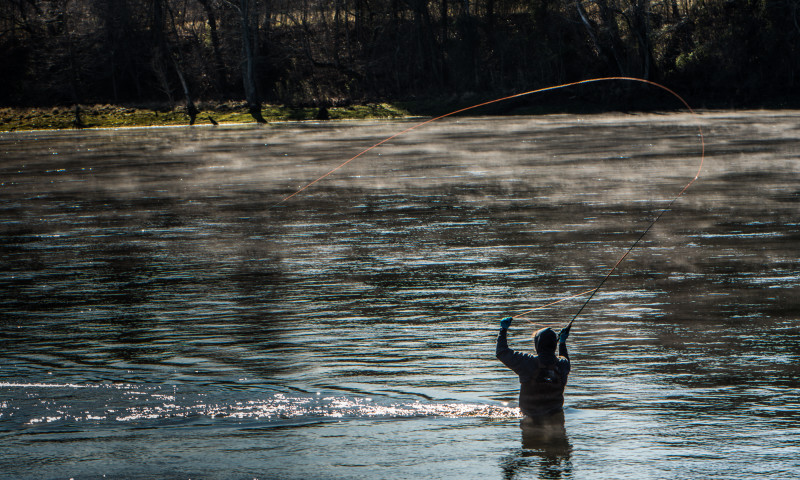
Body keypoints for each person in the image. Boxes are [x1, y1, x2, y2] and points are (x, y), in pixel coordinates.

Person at [496, 317, 571, 418]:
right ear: (554, 345)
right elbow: (565, 359)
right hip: (555, 415)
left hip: (529, 416)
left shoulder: (527, 362)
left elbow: (501, 352)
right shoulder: (563, 364)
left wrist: (503, 329)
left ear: (538, 344)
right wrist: (562, 343)